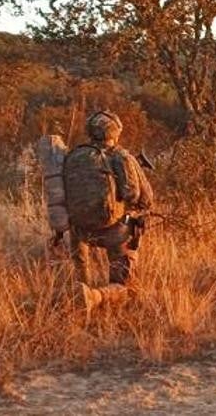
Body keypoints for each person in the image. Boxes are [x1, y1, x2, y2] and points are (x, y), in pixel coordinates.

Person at [64, 110, 154, 309]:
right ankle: (96, 297)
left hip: (80, 230)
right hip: (114, 230)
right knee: (126, 286)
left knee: (81, 268)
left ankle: (80, 288)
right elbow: (136, 196)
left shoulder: (75, 156)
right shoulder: (121, 156)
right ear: (115, 132)